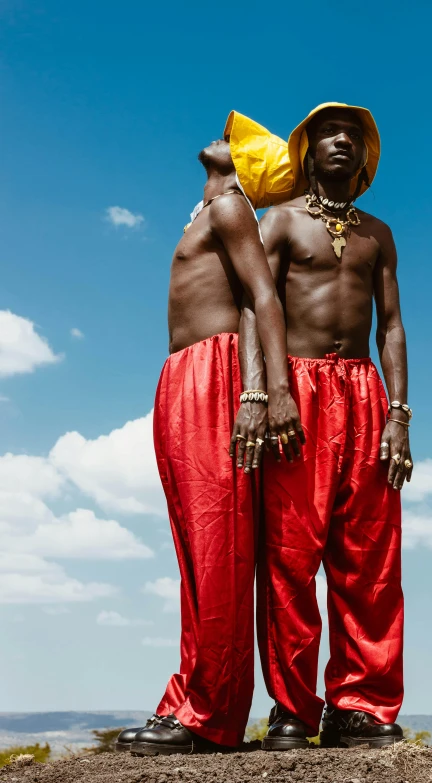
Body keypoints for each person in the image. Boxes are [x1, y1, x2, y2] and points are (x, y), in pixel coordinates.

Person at [116, 112, 304, 756]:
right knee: (199, 548)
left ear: (248, 167)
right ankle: (197, 698)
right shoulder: (206, 213)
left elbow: (262, 297)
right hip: (183, 373)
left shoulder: (230, 208)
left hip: (218, 373)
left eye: (237, 139)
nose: (222, 135)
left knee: (220, 544)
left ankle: (211, 714)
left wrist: (259, 392)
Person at [238, 103, 412, 750]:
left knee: (370, 557)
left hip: (365, 392)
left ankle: (359, 704)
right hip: (297, 390)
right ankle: (293, 707)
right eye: (327, 133)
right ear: (306, 151)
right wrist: (264, 390)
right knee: (289, 553)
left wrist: (399, 414)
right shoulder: (278, 221)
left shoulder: (378, 233)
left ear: (365, 156)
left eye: (353, 134)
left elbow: (391, 325)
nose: (340, 141)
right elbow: (256, 309)